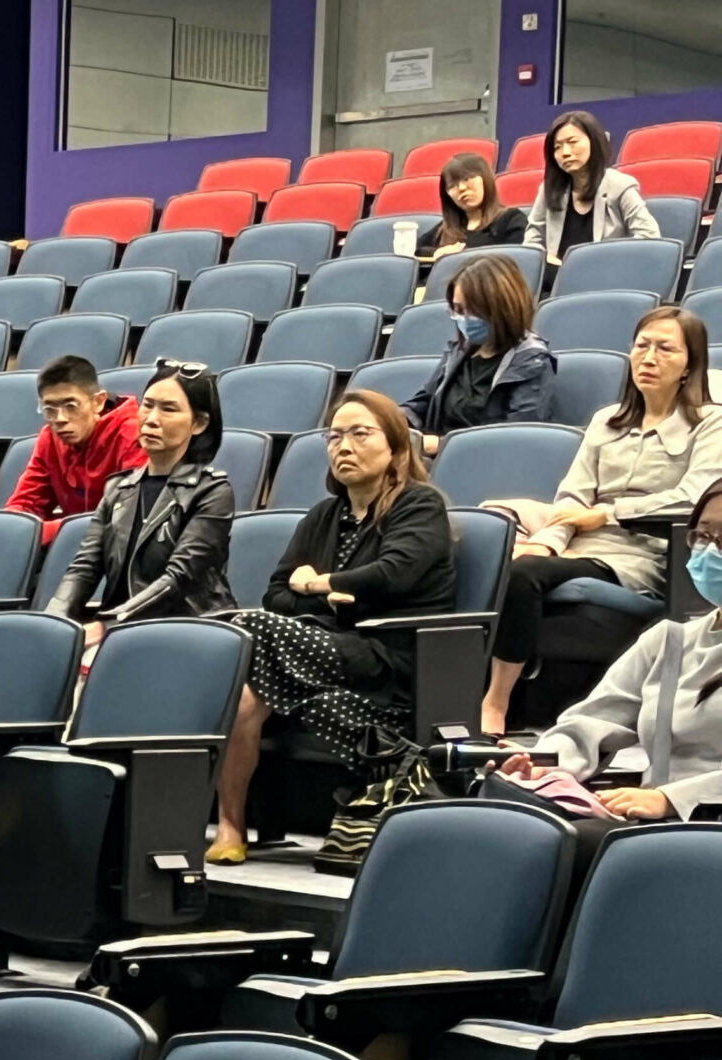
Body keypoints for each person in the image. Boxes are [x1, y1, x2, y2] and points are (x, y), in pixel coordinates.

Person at [209, 392, 457, 863]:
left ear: (396, 448)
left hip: (385, 656)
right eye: (335, 436)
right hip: (319, 649)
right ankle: (230, 827)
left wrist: (320, 584)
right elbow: (278, 592)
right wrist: (332, 597)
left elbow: (393, 574)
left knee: (244, 627)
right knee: (243, 696)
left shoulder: (419, 505)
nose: (343, 445)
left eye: (360, 433)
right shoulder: (325, 514)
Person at [484, 305, 722, 734]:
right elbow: (572, 495)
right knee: (504, 563)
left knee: (522, 575)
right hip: (581, 548)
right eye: (641, 346)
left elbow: (695, 498)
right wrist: (549, 542)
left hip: (646, 556)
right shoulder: (606, 421)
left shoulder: (710, 422)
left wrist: (607, 514)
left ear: (690, 364)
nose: (648, 358)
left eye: (665, 349)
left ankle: (496, 705)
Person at [501, 475, 722, 821]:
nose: (709, 552)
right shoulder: (670, 640)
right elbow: (592, 720)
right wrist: (544, 761)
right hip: (656, 823)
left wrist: (672, 799)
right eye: (704, 536)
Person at [45, 360, 237, 645]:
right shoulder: (117, 488)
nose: (151, 418)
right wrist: (53, 623)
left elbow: (177, 578)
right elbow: (84, 568)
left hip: (187, 631)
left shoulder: (212, 492)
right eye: (147, 405)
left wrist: (108, 625)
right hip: (120, 632)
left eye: (168, 409)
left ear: (199, 423)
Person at [403, 252, 557, 454]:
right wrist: (388, 423)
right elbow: (421, 403)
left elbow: (517, 438)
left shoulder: (533, 361)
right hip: (435, 459)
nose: (464, 319)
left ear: (501, 308)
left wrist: (442, 445)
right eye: (458, 309)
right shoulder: (459, 353)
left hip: (485, 465)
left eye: (473, 310)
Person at [2, 355, 145, 542]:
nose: (60, 418)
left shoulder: (133, 434)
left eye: (71, 406)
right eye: (50, 409)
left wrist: (43, 532)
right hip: (75, 549)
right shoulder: (50, 438)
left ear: (98, 402)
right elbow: (24, 506)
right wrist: (13, 529)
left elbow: (126, 517)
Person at [524, 110, 660, 278]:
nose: (565, 152)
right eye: (557, 147)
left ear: (593, 142)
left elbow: (650, 237)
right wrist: (546, 258)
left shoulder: (620, 185)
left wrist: (602, 259)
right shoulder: (549, 190)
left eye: (572, 142)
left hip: (607, 276)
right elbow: (532, 242)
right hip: (557, 278)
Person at [424, 152, 529, 259]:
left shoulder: (511, 219)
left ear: (485, 178)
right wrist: (437, 253)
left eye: (467, 179)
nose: (461, 188)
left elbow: (516, 258)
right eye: (452, 185)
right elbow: (415, 250)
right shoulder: (446, 228)